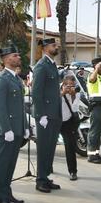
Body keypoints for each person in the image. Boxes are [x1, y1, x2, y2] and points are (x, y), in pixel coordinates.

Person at [0, 47, 27, 203]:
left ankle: (7, 192)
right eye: (15, 55)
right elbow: (0, 108)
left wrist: (25, 126)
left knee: (11, 163)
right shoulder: (1, 79)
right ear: (6, 59)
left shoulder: (16, 79)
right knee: (2, 163)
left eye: (18, 54)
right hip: (7, 131)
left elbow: (21, 107)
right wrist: (7, 129)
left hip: (17, 128)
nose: (19, 57)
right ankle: (0, 196)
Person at [31, 38, 62, 193]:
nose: (56, 47)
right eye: (53, 45)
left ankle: (46, 176)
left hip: (54, 113)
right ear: (44, 48)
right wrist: (41, 114)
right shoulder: (41, 66)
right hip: (45, 115)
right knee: (43, 148)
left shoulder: (52, 65)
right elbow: (36, 93)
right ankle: (40, 180)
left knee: (50, 148)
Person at [59, 75, 84, 180]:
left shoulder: (76, 92)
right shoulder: (56, 89)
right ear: (63, 84)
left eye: (73, 86)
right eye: (69, 86)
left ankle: (73, 171)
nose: (71, 88)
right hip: (55, 121)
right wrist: (62, 93)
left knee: (70, 146)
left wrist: (73, 96)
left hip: (68, 122)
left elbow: (74, 108)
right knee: (49, 146)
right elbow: (51, 102)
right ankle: (48, 168)